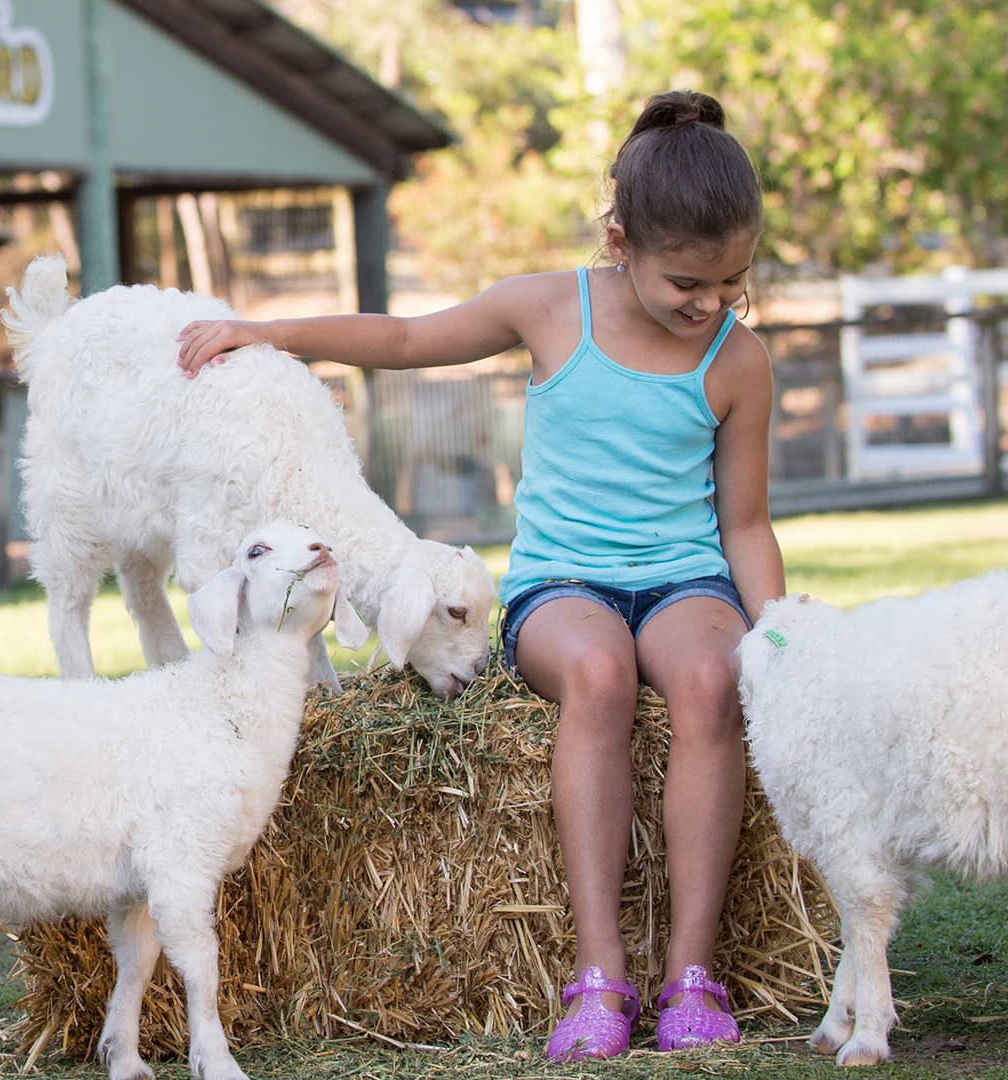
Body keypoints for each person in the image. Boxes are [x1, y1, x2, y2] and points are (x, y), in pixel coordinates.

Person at [175, 89, 785, 1060]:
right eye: (686, 283)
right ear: (618, 240)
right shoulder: (549, 307)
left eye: (731, 283)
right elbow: (411, 341)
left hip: (685, 581)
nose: (708, 304)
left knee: (712, 681)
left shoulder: (736, 361)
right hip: (563, 587)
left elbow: (744, 523)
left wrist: (783, 635)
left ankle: (692, 974)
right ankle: (598, 976)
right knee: (598, 675)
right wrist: (274, 330)